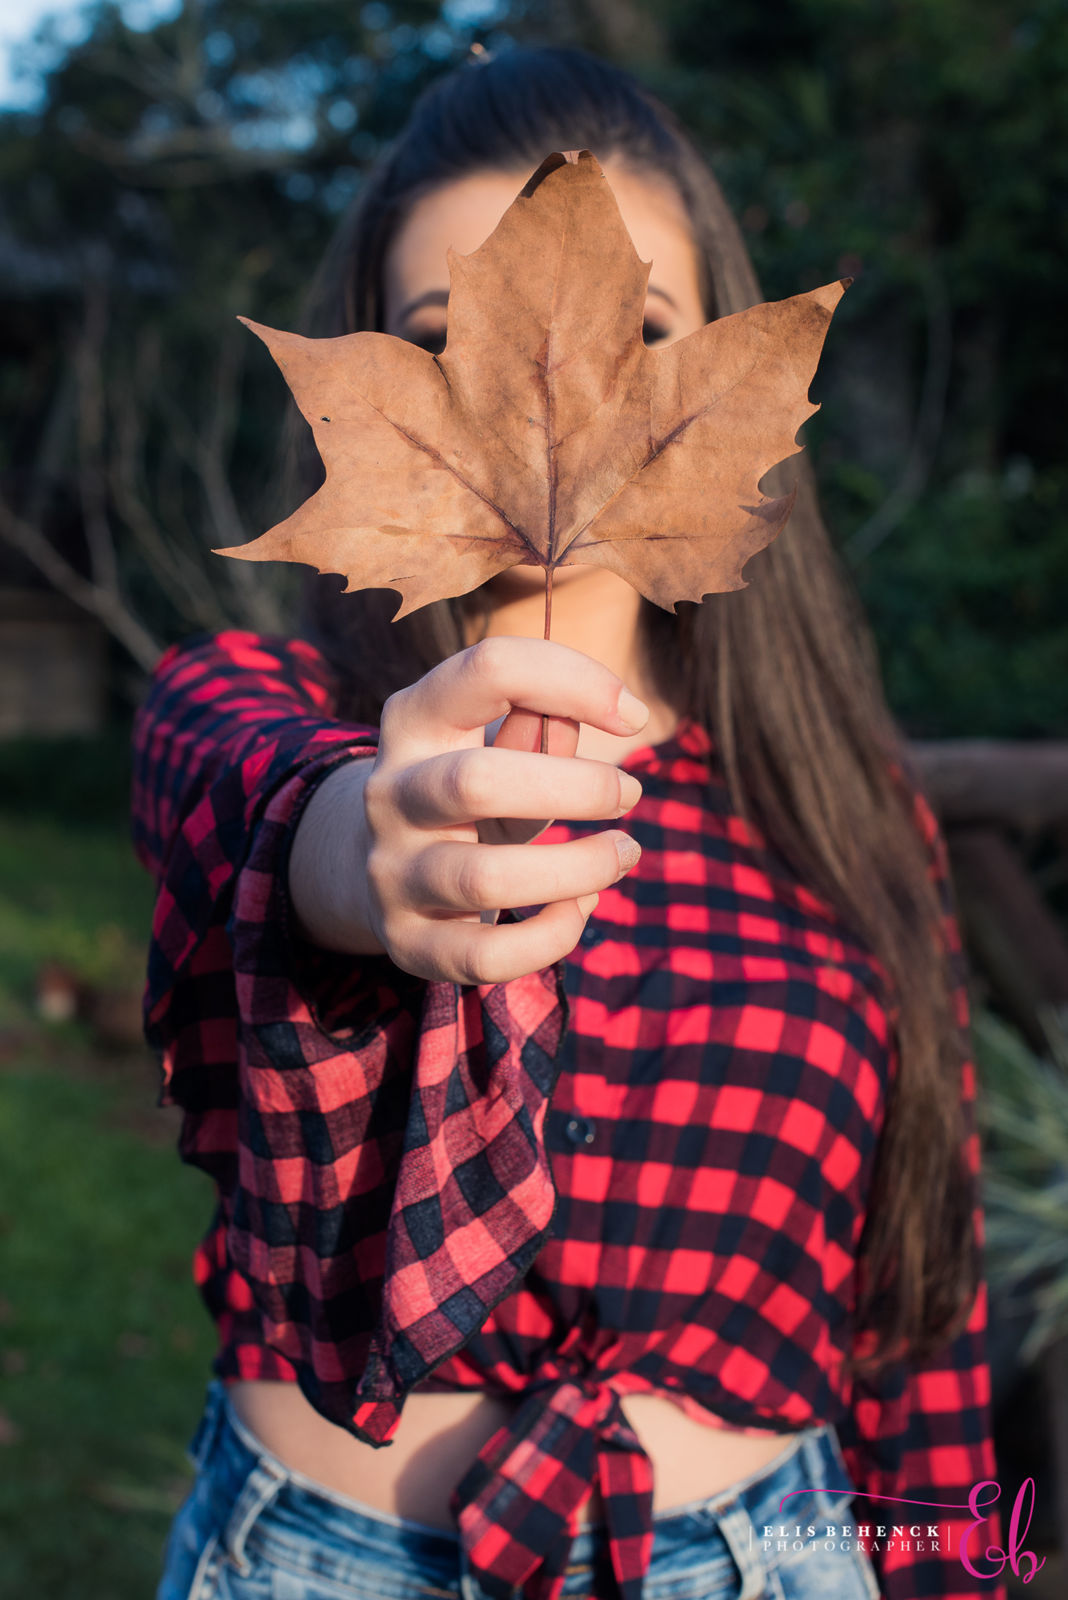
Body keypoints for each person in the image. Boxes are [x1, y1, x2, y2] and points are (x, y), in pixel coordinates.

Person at [135, 44, 1007, 1600]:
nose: (542, 407)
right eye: (438, 342)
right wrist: (360, 844)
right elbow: (241, 790)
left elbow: (913, 1313)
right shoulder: (271, 709)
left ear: (727, 382)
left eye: (643, 336)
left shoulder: (839, 808)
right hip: (332, 1561)